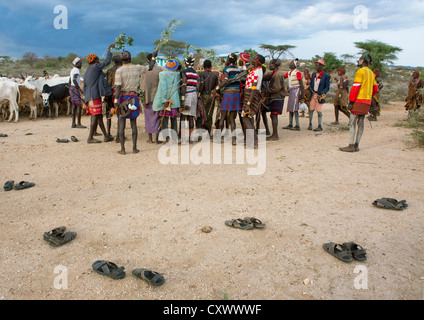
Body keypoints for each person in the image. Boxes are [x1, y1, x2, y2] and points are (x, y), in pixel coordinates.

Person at [113, 50, 157, 155]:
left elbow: (118, 87)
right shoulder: (137, 68)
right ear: (131, 59)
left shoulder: (119, 71)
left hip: (123, 98)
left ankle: (123, 149)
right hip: (133, 98)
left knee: (121, 123)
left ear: (121, 60)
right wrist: (154, 57)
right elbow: (150, 67)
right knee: (133, 124)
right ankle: (134, 148)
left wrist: (115, 101)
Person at [339, 54, 378, 152]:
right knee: (361, 122)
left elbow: (356, 87)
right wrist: (369, 96)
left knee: (352, 121)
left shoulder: (360, 71)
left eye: (360, 59)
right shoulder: (371, 73)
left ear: (363, 60)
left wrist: (351, 101)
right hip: (367, 101)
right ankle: (357, 145)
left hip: (358, 100)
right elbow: (375, 88)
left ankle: (351, 145)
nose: (358, 61)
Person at [83, 43, 115, 144]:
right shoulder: (95, 67)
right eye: (97, 59)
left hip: (90, 95)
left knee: (99, 116)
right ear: (95, 61)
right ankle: (90, 138)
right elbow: (108, 61)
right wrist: (109, 50)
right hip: (94, 96)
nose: (99, 61)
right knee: (95, 116)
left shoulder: (88, 70)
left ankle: (106, 136)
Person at [153, 59, 181, 143]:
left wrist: (164, 100)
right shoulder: (178, 74)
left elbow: (163, 87)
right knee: (174, 121)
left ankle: (166, 138)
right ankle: (174, 138)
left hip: (165, 100)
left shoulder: (162, 74)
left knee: (164, 120)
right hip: (175, 99)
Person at [216, 53, 241, 145]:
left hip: (228, 94)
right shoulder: (238, 69)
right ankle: (234, 139)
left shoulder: (227, 69)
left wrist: (217, 87)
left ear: (229, 60)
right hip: (236, 94)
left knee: (222, 117)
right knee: (232, 119)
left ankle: (218, 138)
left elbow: (226, 80)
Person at [241, 54, 265, 148]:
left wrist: (248, 103)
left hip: (251, 95)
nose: (252, 60)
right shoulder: (256, 70)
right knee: (249, 117)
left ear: (258, 62)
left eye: (254, 59)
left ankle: (254, 142)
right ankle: (253, 141)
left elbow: (254, 89)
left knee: (246, 117)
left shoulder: (257, 72)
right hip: (250, 94)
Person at [141, 53, 162, 144]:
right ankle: (157, 139)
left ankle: (150, 139)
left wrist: (144, 99)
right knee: (158, 117)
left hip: (147, 97)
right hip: (157, 96)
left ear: (147, 60)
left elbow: (142, 87)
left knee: (148, 118)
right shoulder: (159, 70)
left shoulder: (144, 71)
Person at [263, 59, 287, 141]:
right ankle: (274, 134)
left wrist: (266, 91)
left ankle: (275, 135)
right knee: (273, 115)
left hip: (277, 96)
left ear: (274, 65)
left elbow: (276, 88)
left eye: (270, 64)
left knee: (273, 115)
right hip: (276, 96)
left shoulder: (277, 75)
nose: (269, 65)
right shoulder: (275, 73)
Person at [180, 55, 199, 143]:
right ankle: (190, 138)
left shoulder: (184, 72)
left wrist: (183, 98)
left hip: (187, 95)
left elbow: (184, 85)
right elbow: (197, 85)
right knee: (191, 117)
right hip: (194, 95)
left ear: (185, 63)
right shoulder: (195, 73)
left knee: (184, 117)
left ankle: (184, 139)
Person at [308, 58, 331, 131]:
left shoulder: (326, 76)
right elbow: (312, 84)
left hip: (319, 96)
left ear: (321, 66)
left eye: (318, 65)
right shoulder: (314, 74)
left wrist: (323, 92)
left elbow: (327, 87)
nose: (316, 66)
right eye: (316, 65)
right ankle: (310, 124)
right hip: (313, 95)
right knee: (311, 110)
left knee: (319, 111)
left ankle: (320, 125)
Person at [197, 59, 219, 136]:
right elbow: (217, 87)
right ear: (211, 66)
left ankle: (200, 134)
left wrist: (199, 93)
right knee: (210, 114)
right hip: (211, 97)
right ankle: (209, 133)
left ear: (203, 66)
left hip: (204, 96)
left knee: (202, 114)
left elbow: (201, 85)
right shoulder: (214, 75)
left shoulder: (201, 74)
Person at [283, 59, 304, 130]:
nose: (290, 64)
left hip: (296, 90)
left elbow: (301, 83)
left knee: (295, 108)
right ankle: (290, 124)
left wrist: (302, 93)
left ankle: (297, 125)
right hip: (291, 91)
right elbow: (283, 77)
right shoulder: (289, 72)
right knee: (290, 108)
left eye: (291, 63)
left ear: (294, 65)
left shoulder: (297, 72)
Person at [105, 55, 122, 138]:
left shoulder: (109, 71)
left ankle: (108, 133)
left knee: (109, 114)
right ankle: (119, 135)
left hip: (110, 93)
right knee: (120, 114)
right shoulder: (122, 70)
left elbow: (107, 83)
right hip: (120, 93)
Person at [69, 57, 87, 128]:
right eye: (80, 63)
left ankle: (73, 123)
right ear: (77, 63)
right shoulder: (76, 70)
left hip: (72, 88)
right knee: (79, 105)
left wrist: (70, 87)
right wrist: (79, 89)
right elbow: (73, 79)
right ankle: (79, 123)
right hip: (75, 88)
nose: (81, 65)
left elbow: (70, 79)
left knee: (74, 106)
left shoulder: (72, 70)